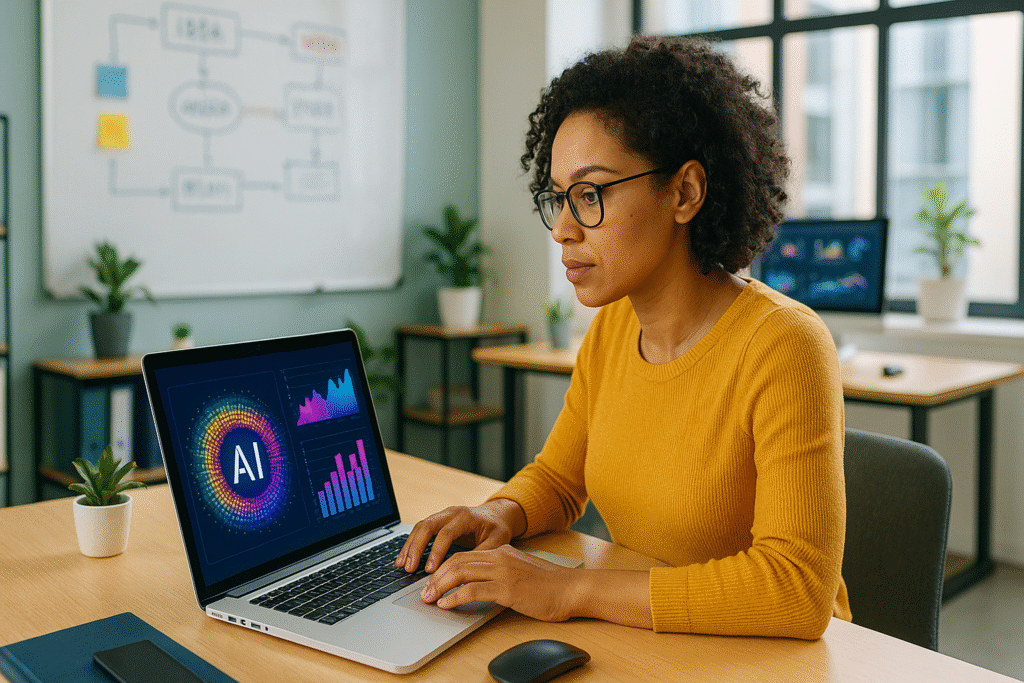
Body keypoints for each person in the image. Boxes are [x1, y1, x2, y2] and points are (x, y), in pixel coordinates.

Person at [395, 35, 850, 639]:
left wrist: (568, 589)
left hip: (772, 660)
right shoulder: (612, 327)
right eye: (558, 198)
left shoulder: (785, 344)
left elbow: (795, 589)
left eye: (589, 195)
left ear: (684, 192)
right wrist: (496, 513)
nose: (561, 229)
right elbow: (559, 479)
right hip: (655, 643)